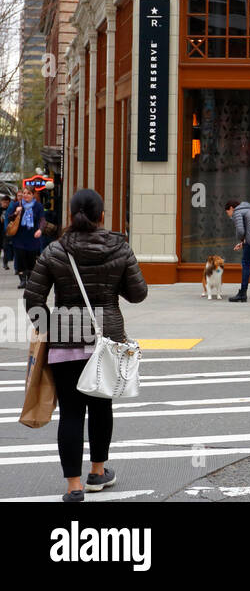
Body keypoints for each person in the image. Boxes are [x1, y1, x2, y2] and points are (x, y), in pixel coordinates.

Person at [24, 188, 148, 502]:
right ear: (101, 216)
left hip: (65, 342)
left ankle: (74, 486)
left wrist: (52, 328)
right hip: (106, 342)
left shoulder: (54, 250)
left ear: (71, 214)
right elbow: (138, 294)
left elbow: (34, 300)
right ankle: (97, 472)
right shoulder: (120, 248)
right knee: (101, 407)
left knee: (70, 413)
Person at [11, 187, 45, 289]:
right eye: (24, 193)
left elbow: (42, 219)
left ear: (33, 195)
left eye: (28, 193)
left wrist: (40, 230)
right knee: (20, 259)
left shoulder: (38, 206)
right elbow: (9, 219)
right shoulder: (17, 205)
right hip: (19, 237)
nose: (25, 195)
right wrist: (16, 213)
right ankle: (22, 281)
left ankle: (30, 280)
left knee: (31, 260)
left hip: (32, 237)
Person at [1, 192, 11, 272]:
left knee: (5, 247)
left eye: (7, 202)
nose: (5, 204)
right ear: (1, 202)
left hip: (6, 232)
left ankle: (5, 263)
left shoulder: (10, 210)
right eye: (4, 202)